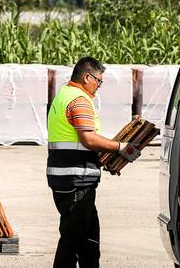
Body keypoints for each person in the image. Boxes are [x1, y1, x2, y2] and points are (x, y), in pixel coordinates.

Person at [46, 57, 140, 268]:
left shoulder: (64, 94)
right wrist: (120, 147)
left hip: (69, 178)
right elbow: (88, 139)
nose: (99, 86)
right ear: (87, 77)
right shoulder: (79, 100)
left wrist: (102, 160)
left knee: (89, 239)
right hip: (76, 181)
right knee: (73, 240)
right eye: (98, 81)